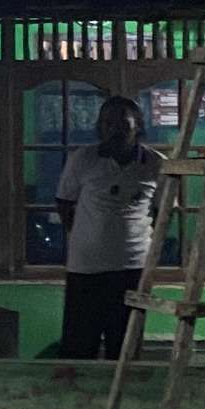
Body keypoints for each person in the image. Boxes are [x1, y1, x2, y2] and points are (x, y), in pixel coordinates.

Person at [56, 94, 162, 359]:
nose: (114, 130)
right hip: (86, 268)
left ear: (138, 125)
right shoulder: (83, 159)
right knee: (79, 347)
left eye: (123, 124)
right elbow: (64, 202)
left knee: (125, 348)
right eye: (107, 124)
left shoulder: (155, 163)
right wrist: (83, 237)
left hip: (132, 267)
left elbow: (163, 212)